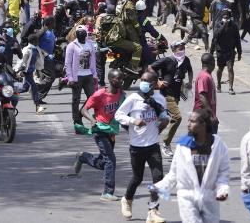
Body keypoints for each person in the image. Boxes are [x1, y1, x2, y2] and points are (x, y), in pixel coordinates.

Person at [152, 109, 230, 223]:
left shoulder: (218, 145)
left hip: (209, 198)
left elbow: (223, 171)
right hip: (187, 198)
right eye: (188, 121)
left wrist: (222, 190)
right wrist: (159, 187)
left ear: (203, 125)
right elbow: (174, 173)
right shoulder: (183, 145)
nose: (188, 124)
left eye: (192, 121)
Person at [114, 71, 170, 223]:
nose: (143, 82)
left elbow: (164, 117)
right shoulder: (133, 98)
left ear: (154, 84)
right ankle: (127, 200)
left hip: (152, 145)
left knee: (158, 178)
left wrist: (163, 123)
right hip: (136, 146)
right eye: (142, 80)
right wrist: (133, 121)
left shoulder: (159, 99)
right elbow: (118, 115)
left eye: (147, 81)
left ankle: (153, 211)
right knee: (137, 178)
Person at [74, 69, 125, 201]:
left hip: (112, 132)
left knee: (104, 163)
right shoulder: (100, 94)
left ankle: (83, 157)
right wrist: (92, 120)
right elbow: (83, 109)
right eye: (117, 79)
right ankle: (107, 192)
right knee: (111, 160)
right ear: (110, 79)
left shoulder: (121, 93)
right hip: (100, 130)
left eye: (121, 78)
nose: (120, 81)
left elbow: (124, 112)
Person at [150, 40, 194, 157]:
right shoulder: (167, 60)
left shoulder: (186, 60)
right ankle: (166, 143)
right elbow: (150, 68)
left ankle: (150, 138)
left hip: (177, 94)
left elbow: (190, 70)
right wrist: (158, 81)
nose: (182, 50)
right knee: (177, 117)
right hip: (166, 94)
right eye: (180, 48)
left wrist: (189, 81)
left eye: (183, 48)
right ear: (173, 49)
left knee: (166, 119)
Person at [65, 26, 98, 125]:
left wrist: (94, 74)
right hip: (77, 77)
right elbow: (68, 63)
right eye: (79, 32)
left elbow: (93, 60)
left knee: (92, 97)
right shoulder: (72, 45)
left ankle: (80, 114)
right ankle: (77, 122)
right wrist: (70, 77)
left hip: (88, 75)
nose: (81, 34)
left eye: (82, 32)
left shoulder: (90, 44)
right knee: (76, 99)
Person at [210, 9, 242, 95]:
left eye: (227, 17)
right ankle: (218, 84)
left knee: (230, 68)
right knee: (220, 69)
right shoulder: (218, 24)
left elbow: (237, 39)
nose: (226, 18)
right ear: (222, 17)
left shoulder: (234, 26)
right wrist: (211, 51)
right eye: (224, 17)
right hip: (220, 51)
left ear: (230, 17)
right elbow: (215, 37)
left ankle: (231, 87)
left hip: (230, 51)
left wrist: (239, 52)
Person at [193, 53, 217, 132]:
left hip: (206, 115)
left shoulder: (207, 75)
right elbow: (202, 97)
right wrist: (212, 115)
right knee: (206, 141)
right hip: (203, 116)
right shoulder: (204, 77)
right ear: (212, 63)